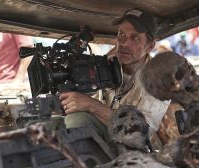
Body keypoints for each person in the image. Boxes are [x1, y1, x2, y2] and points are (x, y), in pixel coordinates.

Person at [59, 8, 170, 140]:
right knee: (49, 124)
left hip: (129, 148)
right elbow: (86, 95)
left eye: (134, 38)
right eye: (121, 34)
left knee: (77, 120)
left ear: (150, 46)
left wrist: (92, 105)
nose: (124, 43)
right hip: (102, 133)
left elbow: (141, 133)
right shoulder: (107, 63)